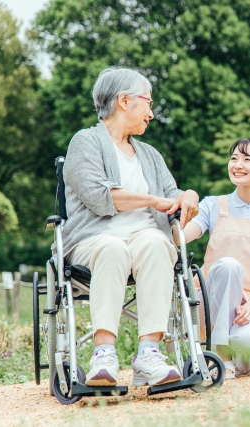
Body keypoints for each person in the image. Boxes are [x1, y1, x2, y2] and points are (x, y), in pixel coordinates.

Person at [60, 67, 200, 387]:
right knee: (112, 248)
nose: (151, 113)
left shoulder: (149, 154)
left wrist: (188, 196)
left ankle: (148, 354)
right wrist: (152, 200)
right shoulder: (86, 142)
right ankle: (104, 354)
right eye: (148, 103)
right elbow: (99, 197)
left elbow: (172, 194)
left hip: (143, 237)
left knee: (155, 242)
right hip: (93, 239)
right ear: (125, 101)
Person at [180, 138, 250, 378]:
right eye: (234, 158)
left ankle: (235, 359)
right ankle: (222, 354)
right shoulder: (213, 205)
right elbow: (181, 236)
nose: (238, 164)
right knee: (229, 266)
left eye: (247, 159)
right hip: (211, 299)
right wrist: (177, 204)